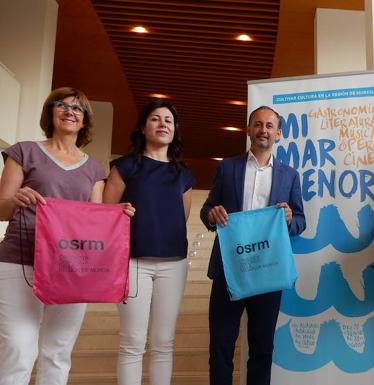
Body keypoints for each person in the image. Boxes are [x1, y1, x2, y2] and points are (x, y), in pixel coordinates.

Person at [0, 87, 111, 385]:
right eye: (61, 105)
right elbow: (1, 209)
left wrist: (117, 215)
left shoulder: (94, 168)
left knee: (57, 352)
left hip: (71, 266)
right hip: (19, 259)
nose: (69, 111)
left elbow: (94, 220)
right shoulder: (24, 151)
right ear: (50, 113)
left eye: (78, 108)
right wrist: (16, 200)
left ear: (85, 121)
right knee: (17, 349)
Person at [200, 105, 305, 385]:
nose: (263, 130)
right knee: (220, 346)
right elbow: (208, 209)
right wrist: (211, 215)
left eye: (270, 126)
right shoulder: (227, 167)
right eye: (258, 124)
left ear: (279, 133)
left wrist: (289, 218)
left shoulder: (290, 175)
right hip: (228, 269)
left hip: (268, 271)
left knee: (262, 348)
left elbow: (300, 222)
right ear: (248, 130)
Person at [103, 99, 196, 385]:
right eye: (155, 119)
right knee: (132, 341)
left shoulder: (183, 174)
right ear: (143, 127)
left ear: (174, 129)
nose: (163, 124)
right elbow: (105, 214)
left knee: (163, 341)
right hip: (133, 262)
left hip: (174, 264)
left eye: (168, 120)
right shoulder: (125, 166)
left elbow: (182, 216)